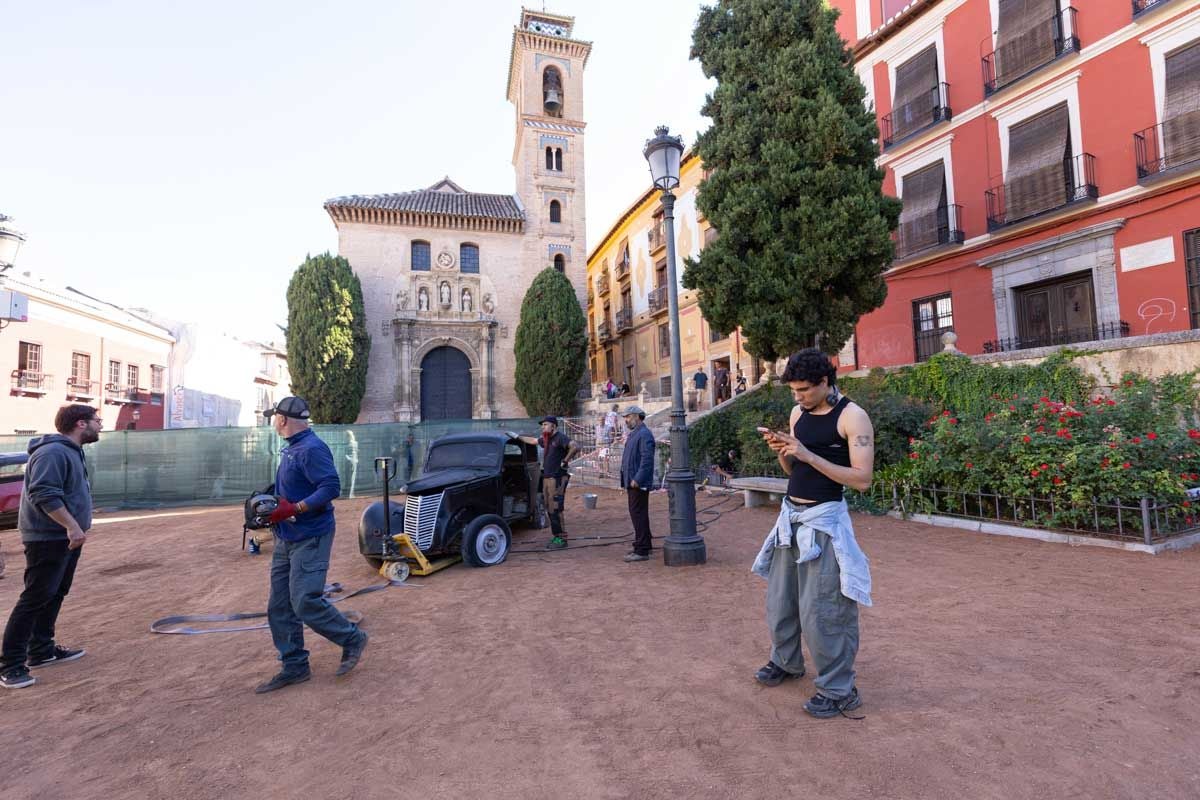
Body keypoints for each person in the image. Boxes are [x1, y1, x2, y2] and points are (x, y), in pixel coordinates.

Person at [751, 349, 874, 719]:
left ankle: (841, 689)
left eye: (804, 390)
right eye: (793, 391)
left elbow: (862, 480)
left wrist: (807, 454)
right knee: (781, 602)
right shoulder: (797, 413)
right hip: (791, 519)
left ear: (825, 382)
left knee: (823, 610)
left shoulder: (853, 417)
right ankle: (786, 661)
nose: (798, 397)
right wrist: (784, 450)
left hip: (825, 522)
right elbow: (793, 467)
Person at [255, 396, 368, 694]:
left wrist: (295, 509)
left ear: (282, 420)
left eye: (274, 417)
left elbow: (331, 488)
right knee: (280, 605)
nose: (273, 422)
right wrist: (270, 504)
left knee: (304, 600)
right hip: (286, 537)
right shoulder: (293, 448)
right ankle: (294, 666)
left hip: (311, 536)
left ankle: (351, 638)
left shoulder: (312, 449)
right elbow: (293, 488)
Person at [1, 404, 101, 690]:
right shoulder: (53, 452)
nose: (100, 424)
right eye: (97, 420)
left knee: (55, 591)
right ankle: (11, 664)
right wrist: (71, 525)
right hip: (47, 537)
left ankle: (41, 650)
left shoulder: (70, 450)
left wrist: (75, 528)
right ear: (81, 424)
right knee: (35, 597)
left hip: (65, 537)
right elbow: (44, 493)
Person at [619, 406, 655, 563]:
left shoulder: (644, 434)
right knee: (639, 514)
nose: (626, 420)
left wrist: (638, 479)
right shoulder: (636, 434)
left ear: (636, 416)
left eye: (627, 417)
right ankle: (645, 545)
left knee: (638, 515)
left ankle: (641, 550)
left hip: (637, 483)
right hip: (632, 481)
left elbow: (647, 459)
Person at [539, 416, 579, 550]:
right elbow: (533, 441)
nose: (543, 427)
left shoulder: (560, 437)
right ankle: (557, 536)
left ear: (553, 426)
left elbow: (575, 447)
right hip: (547, 478)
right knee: (550, 508)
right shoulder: (546, 439)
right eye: (542, 425)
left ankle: (561, 539)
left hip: (557, 478)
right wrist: (517, 437)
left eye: (545, 424)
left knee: (556, 507)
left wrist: (565, 460)